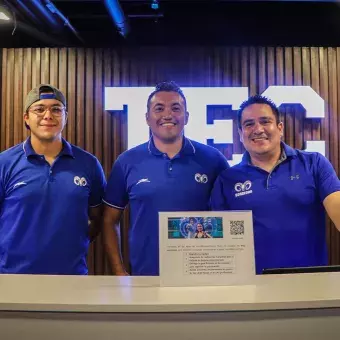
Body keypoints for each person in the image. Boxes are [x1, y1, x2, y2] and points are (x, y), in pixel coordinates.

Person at [103, 81, 229, 276]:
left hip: (201, 276)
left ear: (186, 117)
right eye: (159, 108)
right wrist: (119, 271)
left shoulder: (213, 160)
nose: (168, 115)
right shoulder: (127, 162)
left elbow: (229, 217)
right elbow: (109, 220)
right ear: (147, 118)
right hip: (145, 276)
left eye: (176, 108)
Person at [210, 94, 340, 274]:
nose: (258, 129)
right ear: (240, 134)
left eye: (265, 121)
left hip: (311, 282)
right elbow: (218, 240)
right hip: (250, 287)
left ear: (280, 128)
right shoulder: (227, 180)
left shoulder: (314, 164)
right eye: (249, 124)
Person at [0, 84, 106, 274]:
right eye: (39, 109)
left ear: (66, 116)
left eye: (56, 109)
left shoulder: (89, 164)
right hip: (12, 278)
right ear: (26, 118)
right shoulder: (5, 163)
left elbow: (97, 220)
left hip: (71, 278)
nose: (48, 115)